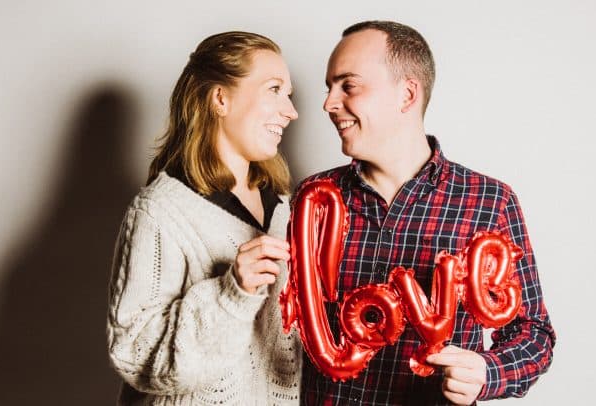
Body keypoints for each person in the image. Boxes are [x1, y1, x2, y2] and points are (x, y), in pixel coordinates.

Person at [299, 21, 556, 405]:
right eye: (329, 87)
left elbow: (534, 333)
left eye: (348, 85)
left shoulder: (489, 202)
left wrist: (487, 372)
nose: (328, 103)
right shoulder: (315, 200)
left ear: (406, 95)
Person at [106, 31, 302, 405]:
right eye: (274, 89)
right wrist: (232, 293)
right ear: (220, 98)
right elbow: (135, 356)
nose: (291, 111)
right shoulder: (160, 210)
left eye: (289, 95)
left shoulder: (287, 208)